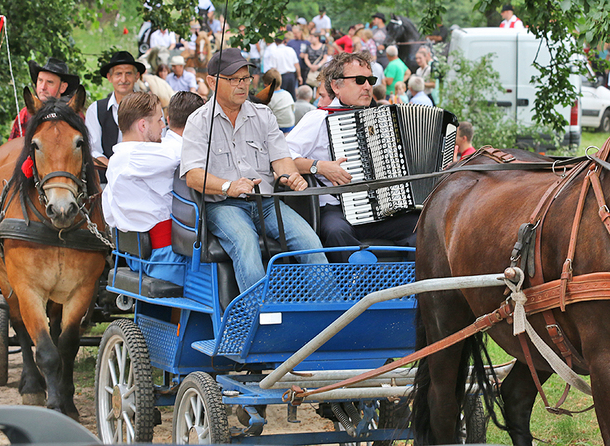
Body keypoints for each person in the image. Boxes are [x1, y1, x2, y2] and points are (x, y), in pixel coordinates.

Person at [180, 48, 328, 292]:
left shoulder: (264, 115)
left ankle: (329, 315)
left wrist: (292, 177)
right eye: (233, 79)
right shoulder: (198, 121)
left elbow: (281, 160)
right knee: (246, 243)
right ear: (211, 82)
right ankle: (259, 316)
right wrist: (229, 186)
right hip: (223, 205)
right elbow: (194, 176)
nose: (242, 85)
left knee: (311, 242)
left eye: (246, 78)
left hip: (266, 203)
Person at [286, 51, 418, 263]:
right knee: (336, 232)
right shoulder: (319, 118)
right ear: (336, 86)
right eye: (359, 80)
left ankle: (408, 287)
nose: (367, 86)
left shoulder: (384, 118)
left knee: (421, 225)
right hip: (335, 207)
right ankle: (356, 289)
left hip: (380, 207)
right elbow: (282, 158)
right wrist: (319, 166)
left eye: (370, 80)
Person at [102, 92, 191, 286]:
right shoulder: (137, 155)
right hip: (166, 256)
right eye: (159, 120)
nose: (163, 126)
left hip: (137, 254)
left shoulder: (118, 158)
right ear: (143, 125)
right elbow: (182, 153)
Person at [86, 51, 146, 171]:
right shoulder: (96, 110)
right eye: (118, 74)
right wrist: (114, 168)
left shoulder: (149, 108)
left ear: (136, 76)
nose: (123, 79)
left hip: (143, 176)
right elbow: (93, 150)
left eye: (128, 73)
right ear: (110, 77)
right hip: (106, 181)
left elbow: (158, 145)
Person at [9, 57, 80, 140]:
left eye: (50, 82)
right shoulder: (25, 114)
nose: (43, 87)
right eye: (40, 80)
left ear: (62, 87)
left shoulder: (74, 114)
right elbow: (12, 147)